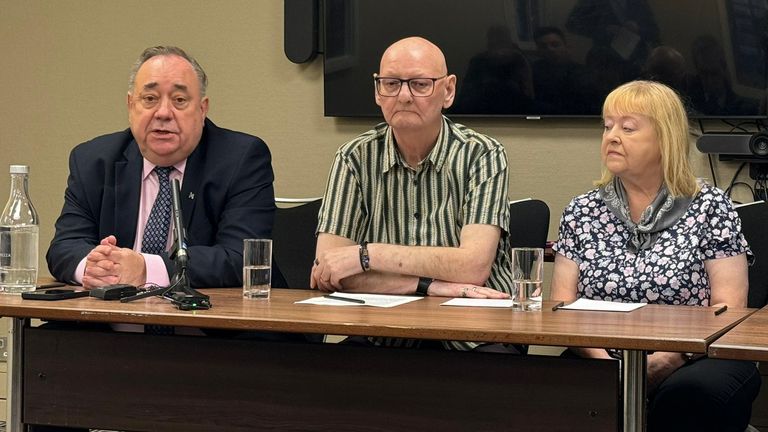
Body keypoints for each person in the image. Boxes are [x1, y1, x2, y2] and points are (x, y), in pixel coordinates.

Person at [551, 80, 761, 432]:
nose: (612, 136)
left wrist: (667, 360)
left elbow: (728, 310)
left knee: (691, 395)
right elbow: (560, 304)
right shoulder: (581, 210)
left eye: (628, 127)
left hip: (696, 358)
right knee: (533, 387)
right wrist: (608, 367)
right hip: (598, 355)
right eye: (607, 126)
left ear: (665, 138)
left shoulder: (710, 206)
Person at [311, 37, 514, 350]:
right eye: (391, 83)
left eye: (420, 84)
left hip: (472, 334)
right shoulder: (353, 157)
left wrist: (368, 255)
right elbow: (329, 271)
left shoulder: (482, 155)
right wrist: (427, 286)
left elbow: (473, 267)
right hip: (383, 332)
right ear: (377, 91)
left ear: (448, 91)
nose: (403, 96)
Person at [47, 46, 278, 290]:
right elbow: (64, 246)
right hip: (112, 324)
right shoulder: (93, 160)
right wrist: (95, 269)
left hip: (205, 322)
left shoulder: (241, 159)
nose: (164, 113)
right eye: (150, 99)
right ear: (130, 105)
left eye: (179, 100)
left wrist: (146, 269)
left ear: (202, 109)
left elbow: (242, 258)